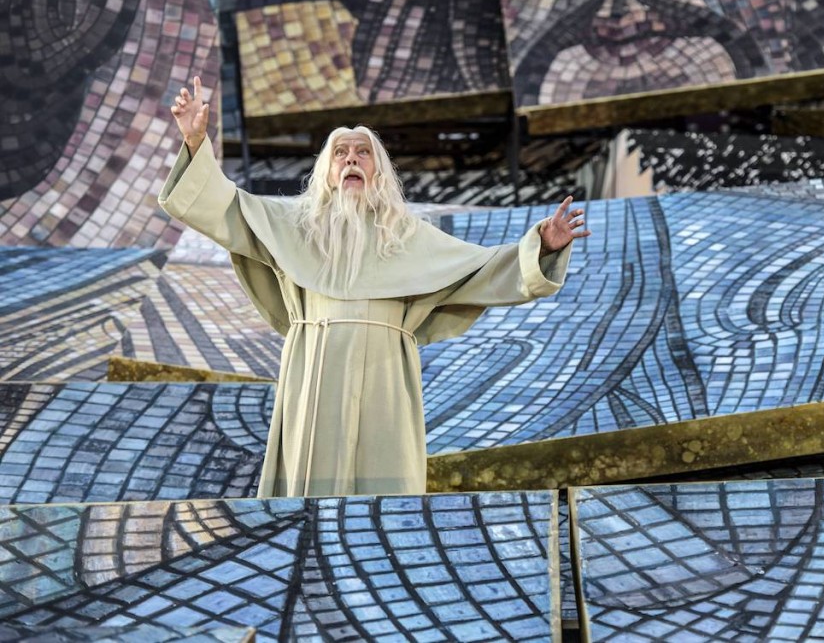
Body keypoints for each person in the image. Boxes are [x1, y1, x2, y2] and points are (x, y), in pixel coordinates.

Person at [159, 76, 589, 497]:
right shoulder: (291, 224)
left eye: (363, 153)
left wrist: (542, 246)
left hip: (386, 372)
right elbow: (227, 207)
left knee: (384, 482)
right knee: (311, 483)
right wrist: (196, 142)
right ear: (327, 172)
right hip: (315, 367)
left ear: (379, 172)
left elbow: (486, 268)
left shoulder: (411, 237)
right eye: (341, 153)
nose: (351, 159)